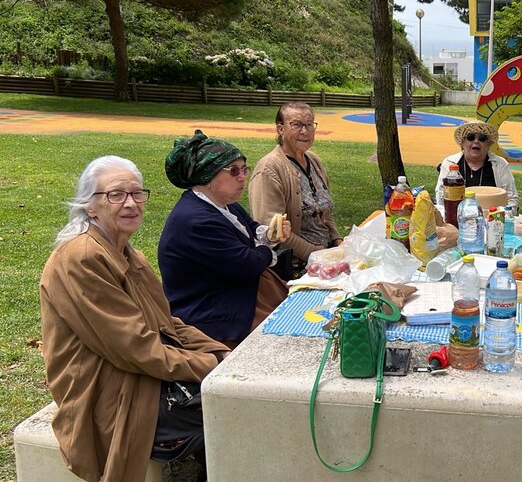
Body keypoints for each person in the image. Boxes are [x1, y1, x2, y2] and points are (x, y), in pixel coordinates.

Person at [39, 156, 229, 481]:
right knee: (232, 406)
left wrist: (222, 354)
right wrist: (210, 366)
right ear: (90, 207)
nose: (130, 203)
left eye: (137, 193)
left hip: (138, 373)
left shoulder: (129, 254)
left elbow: (167, 323)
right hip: (109, 393)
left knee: (233, 395)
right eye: (116, 195)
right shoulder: (81, 259)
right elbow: (135, 349)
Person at [159, 130, 290, 348]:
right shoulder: (196, 221)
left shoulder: (223, 203)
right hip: (212, 313)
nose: (242, 177)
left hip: (236, 293)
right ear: (207, 176)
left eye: (244, 169)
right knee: (285, 337)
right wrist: (267, 250)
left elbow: (251, 228)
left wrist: (269, 235)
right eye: (234, 171)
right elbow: (248, 264)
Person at [249, 102, 342, 274]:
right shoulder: (268, 170)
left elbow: (324, 210)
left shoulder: (313, 160)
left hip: (327, 257)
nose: (305, 131)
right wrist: (315, 253)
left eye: (309, 124)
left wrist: (337, 240)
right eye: (296, 125)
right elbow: (272, 230)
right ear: (280, 129)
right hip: (296, 267)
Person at [435, 121, 519, 212]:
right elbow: (441, 197)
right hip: (457, 217)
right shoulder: (449, 163)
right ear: (462, 143)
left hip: (493, 217)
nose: (476, 141)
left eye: (482, 138)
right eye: (470, 137)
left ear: (488, 144)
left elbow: (512, 200)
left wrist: (502, 215)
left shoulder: (500, 164)